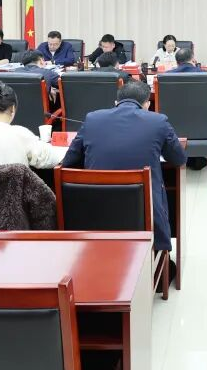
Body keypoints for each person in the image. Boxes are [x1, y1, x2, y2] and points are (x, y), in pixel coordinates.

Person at [62, 81, 187, 268]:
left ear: (116, 103)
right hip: (141, 211)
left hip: (94, 210)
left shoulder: (92, 118)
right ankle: (158, 265)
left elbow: (68, 162)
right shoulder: (158, 121)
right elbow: (179, 159)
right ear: (147, 104)